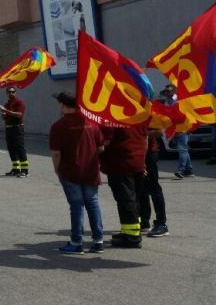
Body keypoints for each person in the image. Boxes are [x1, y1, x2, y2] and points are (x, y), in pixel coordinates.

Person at [48, 92, 105, 254]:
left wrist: (57, 169)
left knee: (77, 206)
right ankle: (98, 241)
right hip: (91, 170)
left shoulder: (58, 126)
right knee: (93, 204)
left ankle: (76, 242)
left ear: (62, 105)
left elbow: (56, 153)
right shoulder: (91, 122)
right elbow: (101, 147)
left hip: (70, 170)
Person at [101, 122, 148, 248]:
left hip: (120, 164)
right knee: (134, 200)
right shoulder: (138, 117)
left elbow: (104, 143)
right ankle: (130, 231)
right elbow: (145, 139)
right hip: (137, 162)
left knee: (126, 201)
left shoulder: (112, 119)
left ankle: (132, 237)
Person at [139, 125, 169, 237]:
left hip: (149, 153)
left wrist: (138, 133)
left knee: (154, 188)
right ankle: (144, 221)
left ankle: (162, 223)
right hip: (137, 152)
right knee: (141, 189)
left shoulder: (151, 109)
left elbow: (160, 131)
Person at [163, 86, 194, 178]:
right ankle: (189, 170)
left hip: (183, 128)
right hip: (175, 129)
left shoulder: (180, 100)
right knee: (183, 149)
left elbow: (189, 113)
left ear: (174, 91)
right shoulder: (167, 102)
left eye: (168, 91)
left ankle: (181, 170)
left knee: (182, 149)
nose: (166, 93)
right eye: (165, 91)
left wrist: (190, 128)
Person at [0, 86, 28, 176]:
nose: (11, 93)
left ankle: (24, 170)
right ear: (7, 93)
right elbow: (4, 117)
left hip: (17, 128)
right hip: (9, 128)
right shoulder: (6, 104)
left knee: (20, 148)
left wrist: (6, 111)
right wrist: (3, 114)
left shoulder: (19, 102)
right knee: (11, 148)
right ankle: (16, 169)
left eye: (13, 91)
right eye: (9, 92)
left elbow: (19, 115)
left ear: (16, 92)